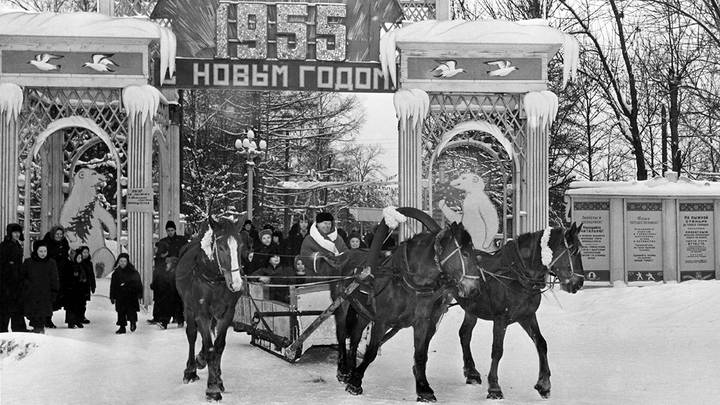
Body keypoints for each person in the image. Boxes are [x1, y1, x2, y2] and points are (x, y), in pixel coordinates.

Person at [22, 241, 59, 334]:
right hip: (32, 296)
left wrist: (54, 293)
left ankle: (39, 337)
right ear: (36, 251)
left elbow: (54, 279)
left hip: (45, 297)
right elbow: (22, 277)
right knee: (34, 319)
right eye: (41, 251)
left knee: (41, 319)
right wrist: (27, 287)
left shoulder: (51, 263)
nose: (43, 254)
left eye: (45, 251)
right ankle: (37, 336)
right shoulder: (28, 262)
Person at [0, 223, 28, 332]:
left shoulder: (18, 245)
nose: (17, 234)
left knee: (17, 307)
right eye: (14, 232)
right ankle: (2, 331)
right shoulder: (4, 246)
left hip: (17, 282)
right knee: (5, 308)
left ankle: (19, 329)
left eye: (18, 232)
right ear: (10, 233)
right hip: (6, 283)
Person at [43, 225, 70, 328]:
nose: (59, 236)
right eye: (57, 234)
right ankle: (47, 318)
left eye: (61, 234)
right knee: (49, 297)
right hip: (49, 274)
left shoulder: (64, 243)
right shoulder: (47, 242)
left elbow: (65, 255)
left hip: (61, 273)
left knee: (57, 297)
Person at [109, 253, 143, 334]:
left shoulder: (133, 272)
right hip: (120, 296)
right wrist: (112, 296)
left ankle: (133, 322)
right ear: (118, 262)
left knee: (131, 311)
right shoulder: (116, 273)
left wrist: (139, 293)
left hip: (131, 296)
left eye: (124, 261)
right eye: (121, 261)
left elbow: (138, 283)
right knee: (121, 312)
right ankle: (122, 327)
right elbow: (113, 286)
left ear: (127, 262)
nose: (123, 263)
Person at [149, 242, 176, 329]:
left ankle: (163, 320)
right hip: (160, 283)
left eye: (156, 248)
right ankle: (158, 318)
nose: (155, 250)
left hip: (165, 283)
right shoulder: (158, 258)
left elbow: (162, 272)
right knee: (159, 301)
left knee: (165, 302)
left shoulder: (166, 259)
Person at [63, 249, 88, 328]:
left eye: (81, 258)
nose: (80, 259)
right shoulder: (69, 265)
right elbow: (67, 278)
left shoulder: (81, 266)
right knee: (71, 308)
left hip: (79, 290)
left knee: (78, 306)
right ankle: (71, 322)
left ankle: (77, 320)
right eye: (78, 257)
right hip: (71, 291)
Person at [78, 246, 95, 324]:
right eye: (84, 252)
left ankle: (82, 316)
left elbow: (91, 275)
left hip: (86, 286)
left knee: (84, 302)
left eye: (87, 252)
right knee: (79, 301)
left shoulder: (89, 263)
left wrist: (93, 285)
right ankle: (78, 316)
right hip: (79, 286)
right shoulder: (78, 262)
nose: (85, 254)